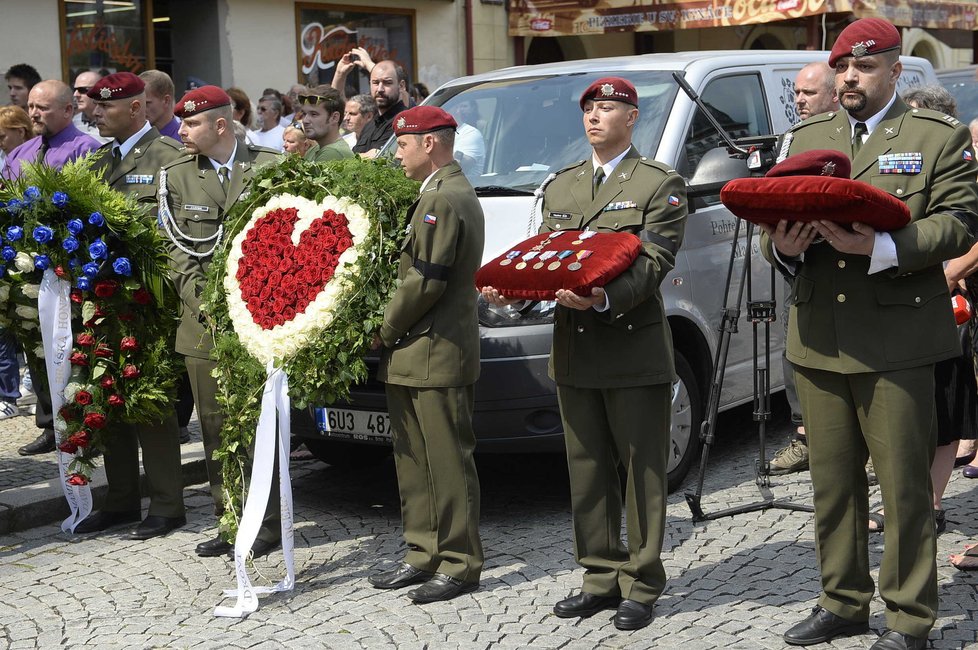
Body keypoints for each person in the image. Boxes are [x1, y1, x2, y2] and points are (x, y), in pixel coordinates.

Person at [760, 18, 978, 650]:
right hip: (820, 339)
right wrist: (784, 248)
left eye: (865, 67)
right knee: (832, 484)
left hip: (898, 341)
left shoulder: (932, 137)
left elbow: (961, 220)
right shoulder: (810, 135)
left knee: (904, 484)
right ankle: (843, 601)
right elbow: (777, 219)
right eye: (843, 69)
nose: (850, 77)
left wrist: (881, 244)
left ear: (894, 70)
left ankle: (910, 617)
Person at [483, 76, 688, 631]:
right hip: (574, 352)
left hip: (631, 348)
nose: (594, 117)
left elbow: (654, 261)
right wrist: (514, 292)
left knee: (640, 471)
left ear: (632, 117)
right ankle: (599, 575)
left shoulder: (657, 183)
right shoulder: (562, 187)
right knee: (588, 469)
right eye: (589, 109)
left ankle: (642, 582)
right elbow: (545, 258)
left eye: (608, 107)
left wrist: (604, 299)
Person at [159, 86, 282, 559]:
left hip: (264, 321)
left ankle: (267, 524)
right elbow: (178, 257)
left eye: (190, 124)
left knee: (259, 425)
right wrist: (210, 307)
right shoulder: (177, 176)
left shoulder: (272, 167)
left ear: (221, 126)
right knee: (215, 430)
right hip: (205, 325)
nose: (181, 131)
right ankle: (231, 520)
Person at [370, 105, 485, 604]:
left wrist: (383, 329)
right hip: (416, 351)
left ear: (430, 145)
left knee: (446, 461)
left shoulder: (446, 196)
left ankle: (459, 562)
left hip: (436, 349)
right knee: (413, 459)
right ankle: (422, 552)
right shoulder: (432, 194)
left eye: (403, 144)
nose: (397, 153)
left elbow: (426, 280)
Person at [73, 72, 187, 539]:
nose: (95, 113)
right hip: (102, 304)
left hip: (147, 302)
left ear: (137, 108)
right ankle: (120, 499)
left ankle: (166, 503)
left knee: (150, 402)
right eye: (95, 106)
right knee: (109, 396)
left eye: (106, 107)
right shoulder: (98, 160)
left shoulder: (169, 158)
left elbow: (176, 232)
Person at [3, 80, 100, 456]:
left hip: (69, 267)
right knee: (35, 347)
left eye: (42, 107)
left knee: (72, 346)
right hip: (25, 267)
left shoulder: (85, 149)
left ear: (67, 110)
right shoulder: (21, 152)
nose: (33, 114)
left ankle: (84, 422)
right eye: (30, 106)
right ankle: (49, 424)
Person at [769, 61, 839, 475]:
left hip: (855, 265)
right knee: (793, 348)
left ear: (834, 95)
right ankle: (804, 434)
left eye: (808, 93)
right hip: (801, 265)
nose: (798, 100)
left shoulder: (854, 140)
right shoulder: (791, 140)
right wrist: (779, 246)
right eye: (795, 93)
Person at [353, 60, 408, 159]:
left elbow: (378, 158)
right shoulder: (369, 125)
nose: (380, 89)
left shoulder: (404, 121)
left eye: (387, 83)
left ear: (401, 86)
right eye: (375, 83)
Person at [298, 86, 352, 162]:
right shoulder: (315, 149)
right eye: (304, 114)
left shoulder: (332, 152)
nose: (305, 120)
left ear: (334, 118)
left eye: (314, 114)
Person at [139, 70, 181, 141]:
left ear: (166, 100)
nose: (139, 109)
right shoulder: (134, 138)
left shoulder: (185, 141)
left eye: (146, 103)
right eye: (137, 105)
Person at [447, 98, 485, 177]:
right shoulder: (439, 135)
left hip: (470, 187)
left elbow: (458, 167)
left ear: (457, 110)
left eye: (446, 108)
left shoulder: (470, 133)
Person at [71, 70, 109, 144]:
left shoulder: (113, 121)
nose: (76, 94)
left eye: (82, 90)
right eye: (74, 90)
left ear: (99, 91)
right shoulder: (73, 121)